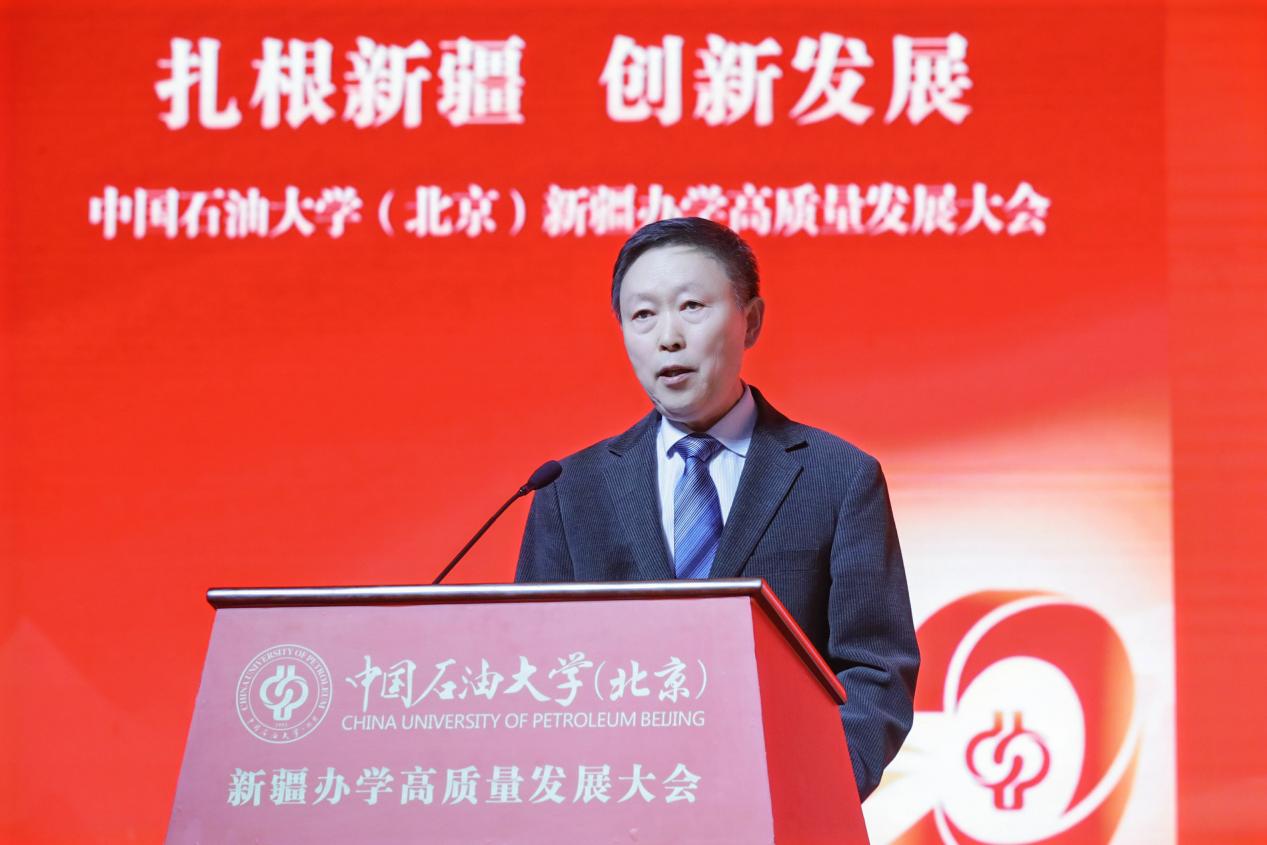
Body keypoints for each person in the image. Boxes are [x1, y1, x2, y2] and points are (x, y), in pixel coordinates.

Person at [515, 216, 918, 800]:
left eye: (692, 307)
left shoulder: (838, 476)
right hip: (615, 804)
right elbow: (536, 668)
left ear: (750, 321)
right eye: (642, 315)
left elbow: (876, 668)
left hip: (779, 809)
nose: (668, 337)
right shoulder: (570, 489)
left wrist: (811, 789)